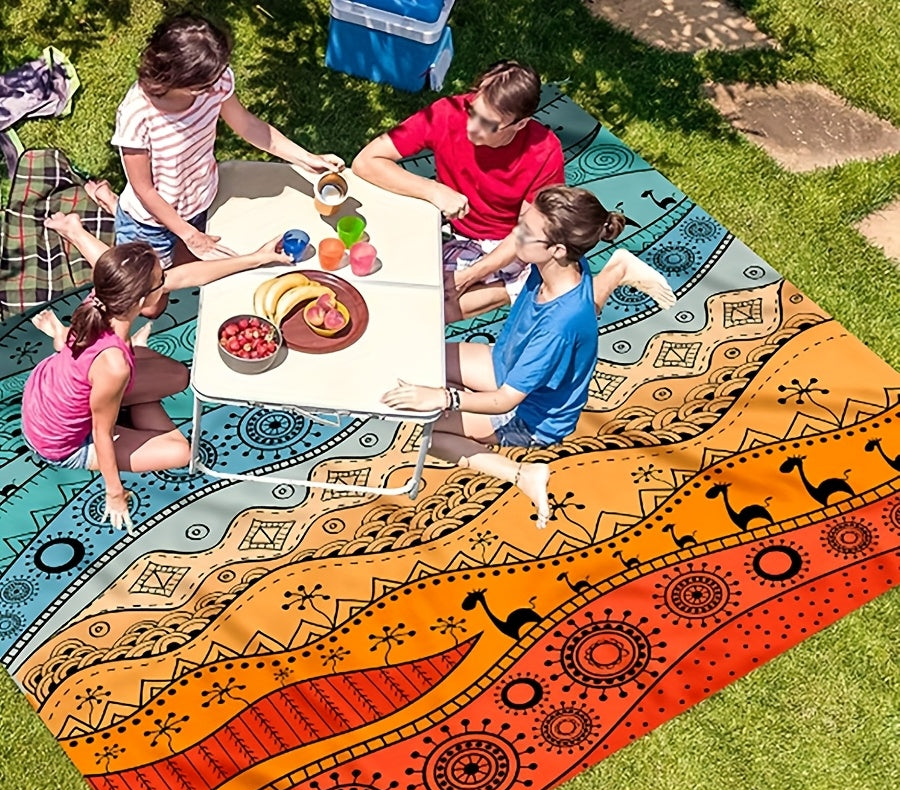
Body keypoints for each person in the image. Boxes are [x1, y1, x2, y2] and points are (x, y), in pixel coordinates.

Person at [381, 185, 669, 529]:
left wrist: (444, 398)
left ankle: (522, 473)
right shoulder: (563, 264)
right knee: (419, 361)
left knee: (426, 427)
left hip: (530, 415)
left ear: (556, 249)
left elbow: (505, 401)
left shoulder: (559, 327)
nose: (515, 234)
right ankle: (616, 270)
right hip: (506, 363)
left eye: (526, 231)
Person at [21, 212, 291, 533]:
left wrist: (257, 258)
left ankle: (103, 366)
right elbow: (101, 433)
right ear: (141, 299)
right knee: (180, 451)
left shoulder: (102, 298)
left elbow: (186, 276)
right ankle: (119, 385)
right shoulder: (114, 365)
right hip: (62, 442)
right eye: (161, 279)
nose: (167, 280)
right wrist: (115, 494)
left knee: (178, 376)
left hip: (49, 390)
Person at [111, 13, 344, 267]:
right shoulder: (137, 114)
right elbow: (144, 189)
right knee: (154, 291)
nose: (216, 87)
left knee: (188, 268)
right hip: (150, 224)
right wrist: (189, 235)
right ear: (177, 79)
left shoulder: (215, 80)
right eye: (206, 84)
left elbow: (247, 125)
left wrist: (306, 158)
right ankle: (110, 205)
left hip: (201, 202)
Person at [353, 60, 566, 322]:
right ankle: (516, 286)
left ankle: (509, 287)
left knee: (422, 312)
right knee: (382, 273)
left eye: (488, 124)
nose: (471, 127)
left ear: (520, 124)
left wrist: (470, 275)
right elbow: (365, 161)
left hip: (505, 244)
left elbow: (529, 233)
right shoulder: (447, 112)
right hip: (449, 225)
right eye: (472, 110)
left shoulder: (544, 152)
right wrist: (434, 190)